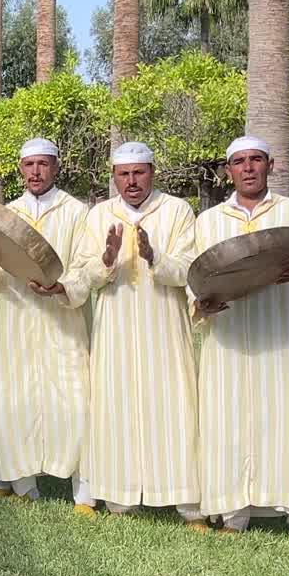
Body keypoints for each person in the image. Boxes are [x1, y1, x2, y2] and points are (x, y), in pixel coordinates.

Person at [193, 137, 289, 548]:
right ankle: (234, 512)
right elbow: (196, 278)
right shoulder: (210, 221)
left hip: (282, 340)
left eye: (256, 160)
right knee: (228, 421)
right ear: (228, 170)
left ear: (270, 165)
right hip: (229, 341)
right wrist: (204, 301)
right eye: (239, 162)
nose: (248, 168)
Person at [67, 142, 205, 523]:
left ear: (152, 173)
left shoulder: (177, 211)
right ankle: (119, 495)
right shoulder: (98, 215)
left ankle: (184, 499)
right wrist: (107, 260)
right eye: (124, 174)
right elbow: (84, 273)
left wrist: (153, 256)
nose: (131, 181)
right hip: (115, 328)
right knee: (115, 402)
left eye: (139, 172)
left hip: (165, 326)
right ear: (114, 177)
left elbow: (192, 268)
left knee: (173, 402)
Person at [0, 138, 91, 501]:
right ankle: (23, 484)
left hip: (62, 322)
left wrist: (62, 288)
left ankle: (83, 490)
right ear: (20, 170)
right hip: (18, 318)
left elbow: (86, 265)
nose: (36, 172)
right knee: (14, 397)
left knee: (75, 399)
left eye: (43, 164)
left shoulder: (77, 212)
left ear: (56, 168)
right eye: (29, 165)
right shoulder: (5, 215)